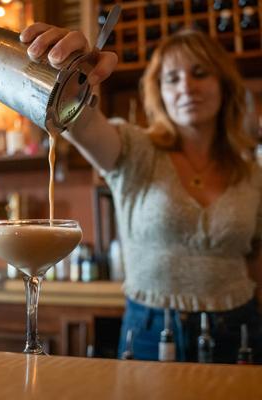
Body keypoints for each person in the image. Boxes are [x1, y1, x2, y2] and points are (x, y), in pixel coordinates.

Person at [19, 24, 262, 363]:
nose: (186, 87)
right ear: (158, 91)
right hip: (150, 329)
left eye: (200, 73)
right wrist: (69, 69)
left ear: (224, 84)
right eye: (171, 78)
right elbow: (80, 122)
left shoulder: (251, 172)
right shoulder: (136, 149)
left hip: (239, 328)